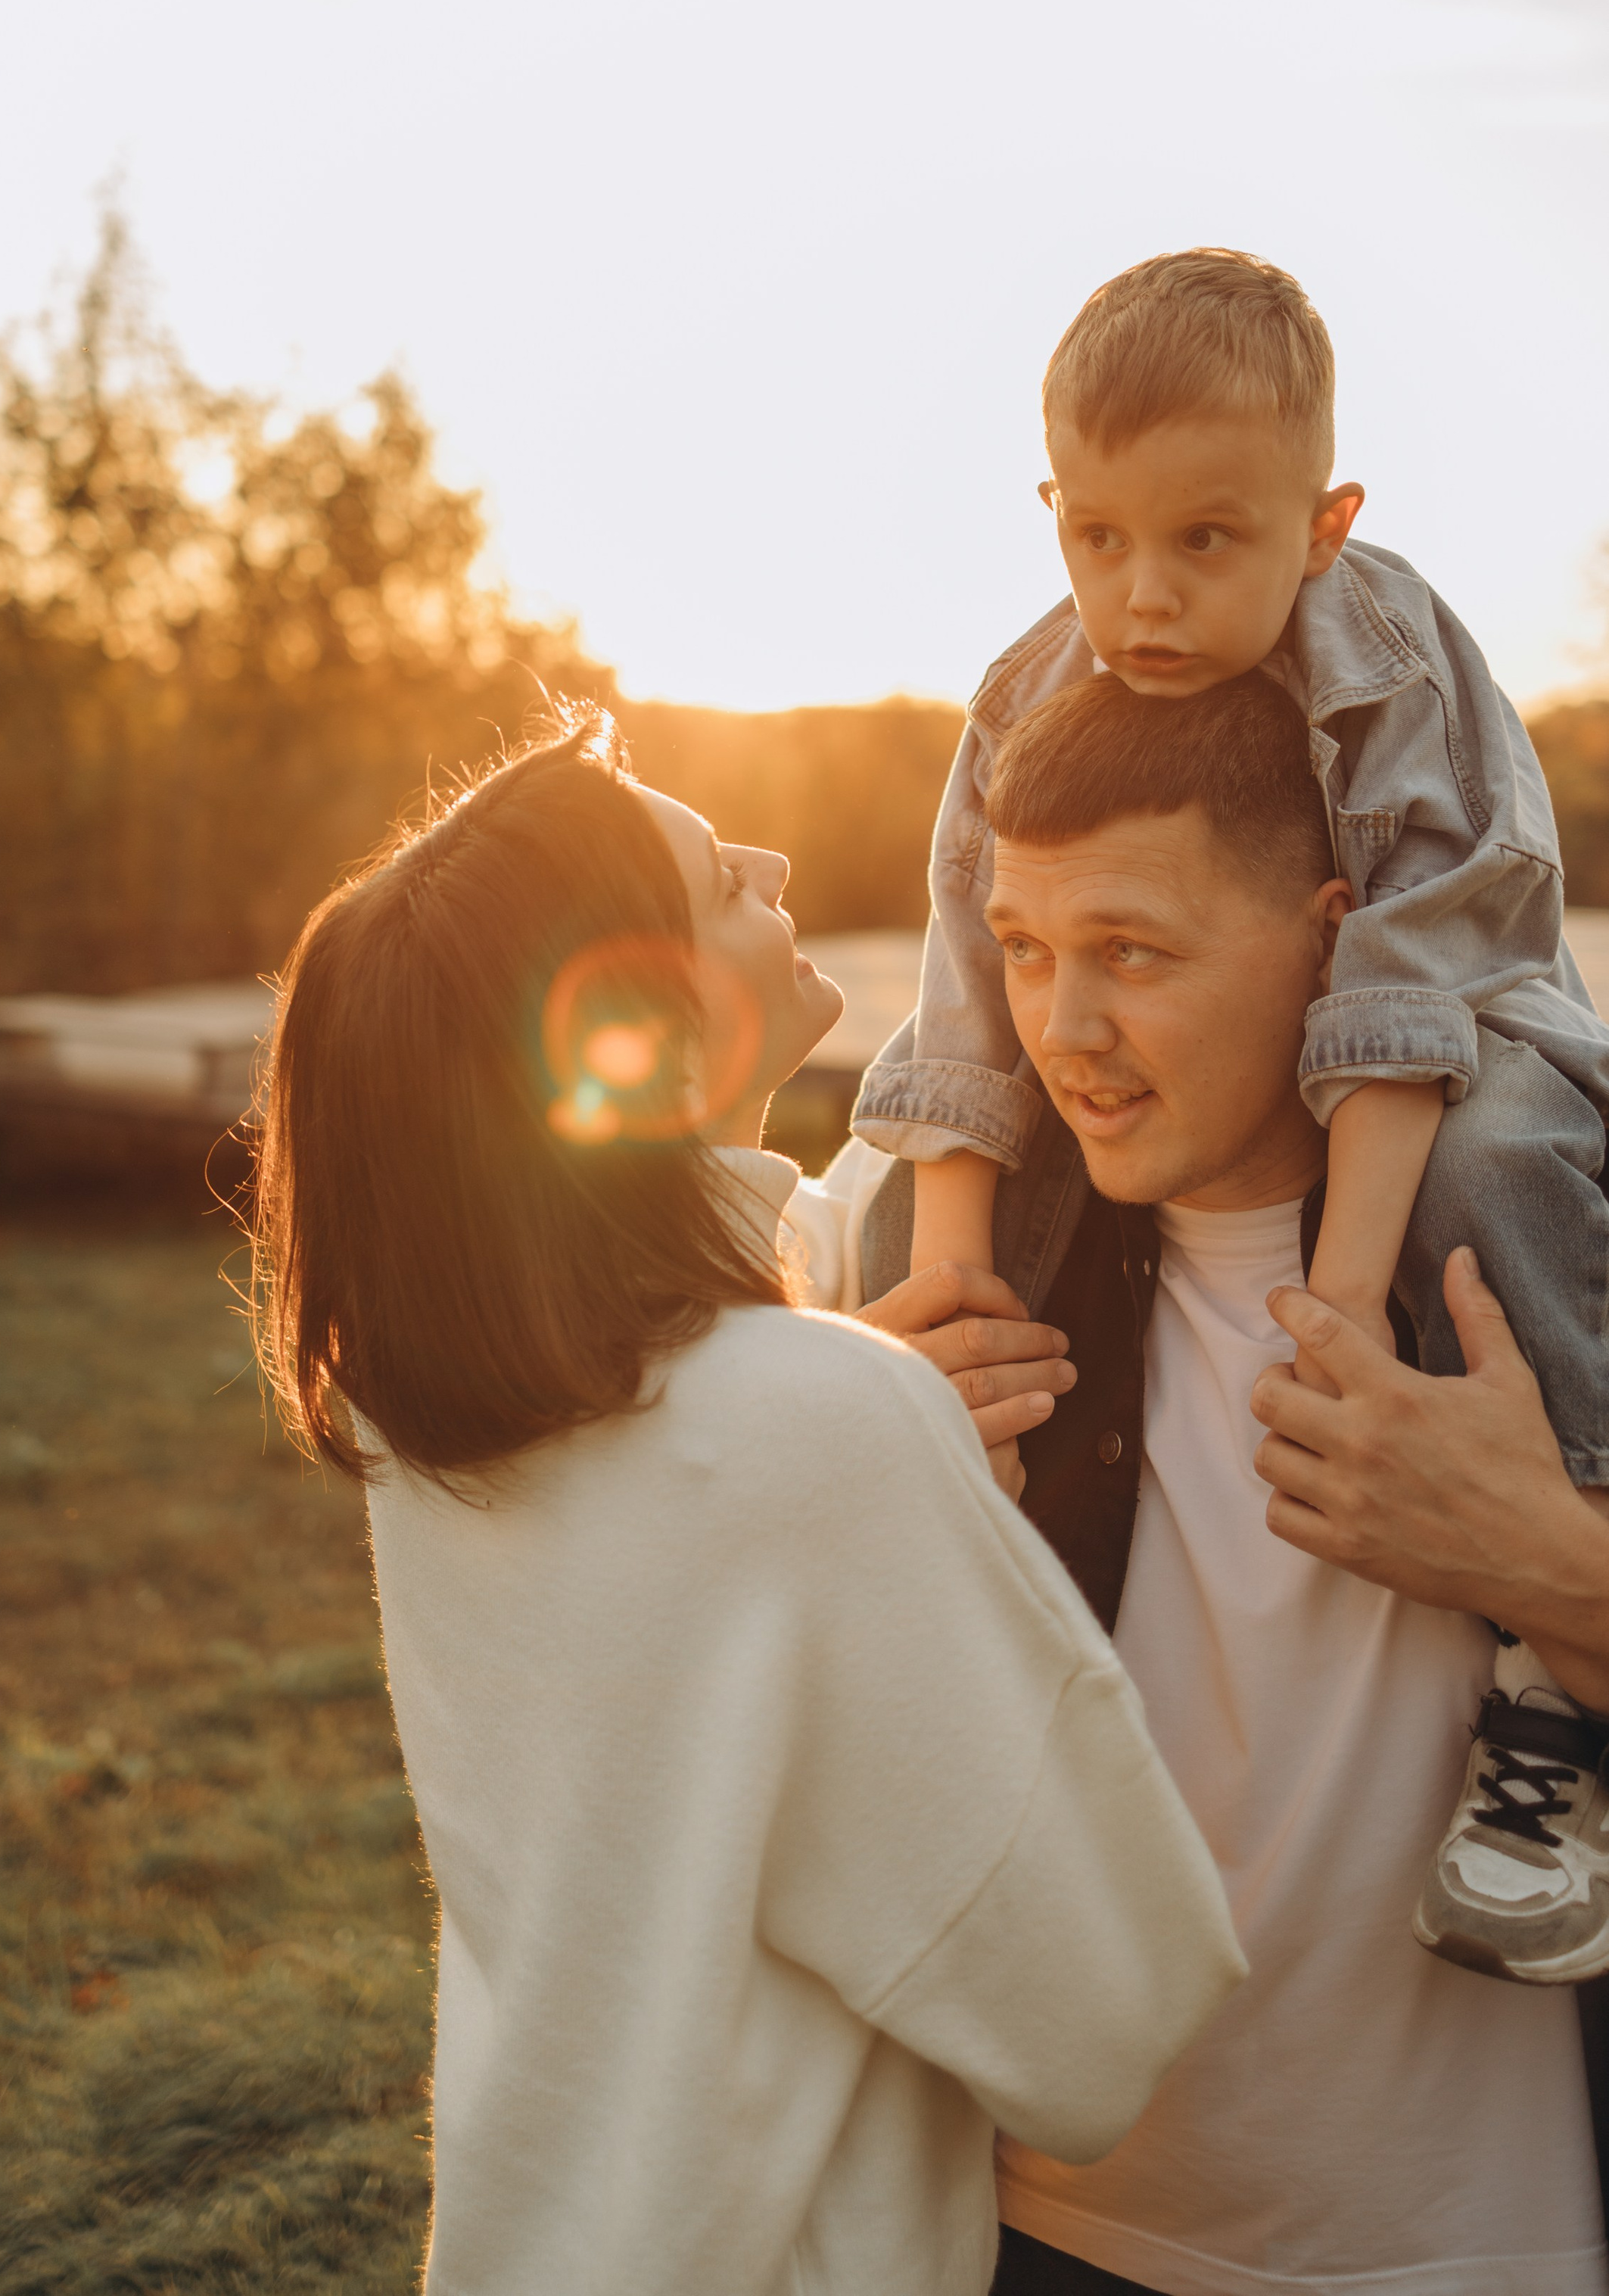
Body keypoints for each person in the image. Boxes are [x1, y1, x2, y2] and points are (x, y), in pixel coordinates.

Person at [248, 718, 1242, 2296]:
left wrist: (851, 1403)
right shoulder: (815, 1425)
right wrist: (904, 1464)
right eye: (722, 877)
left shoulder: (428, 1413)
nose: (774, 865)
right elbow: (1099, 2019)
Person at [852, 245, 1609, 1979]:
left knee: (1489, 1170)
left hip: (1472, 1032)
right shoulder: (1030, 691)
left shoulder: (1401, 666)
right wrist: (949, 1273)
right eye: (1095, 539)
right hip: (1080, 2196)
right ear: (1050, 506)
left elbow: (1407, 981)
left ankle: (1549, 1692)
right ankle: (992, 1715)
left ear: (1323, 523)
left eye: (1206, 541)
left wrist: (1342, 1294)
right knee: (916, 1226)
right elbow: (967, 973)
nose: (1144, 602)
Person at [858, 670, 1609, 2296]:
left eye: (1130, 952)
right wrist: (855, 1486)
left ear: (1338, 941)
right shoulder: (926, 1267)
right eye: (1025, 950)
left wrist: (1549, 1564)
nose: (1060, 1030)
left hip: (1489, 2245)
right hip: (1033, 2226)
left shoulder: (1563, 1239)